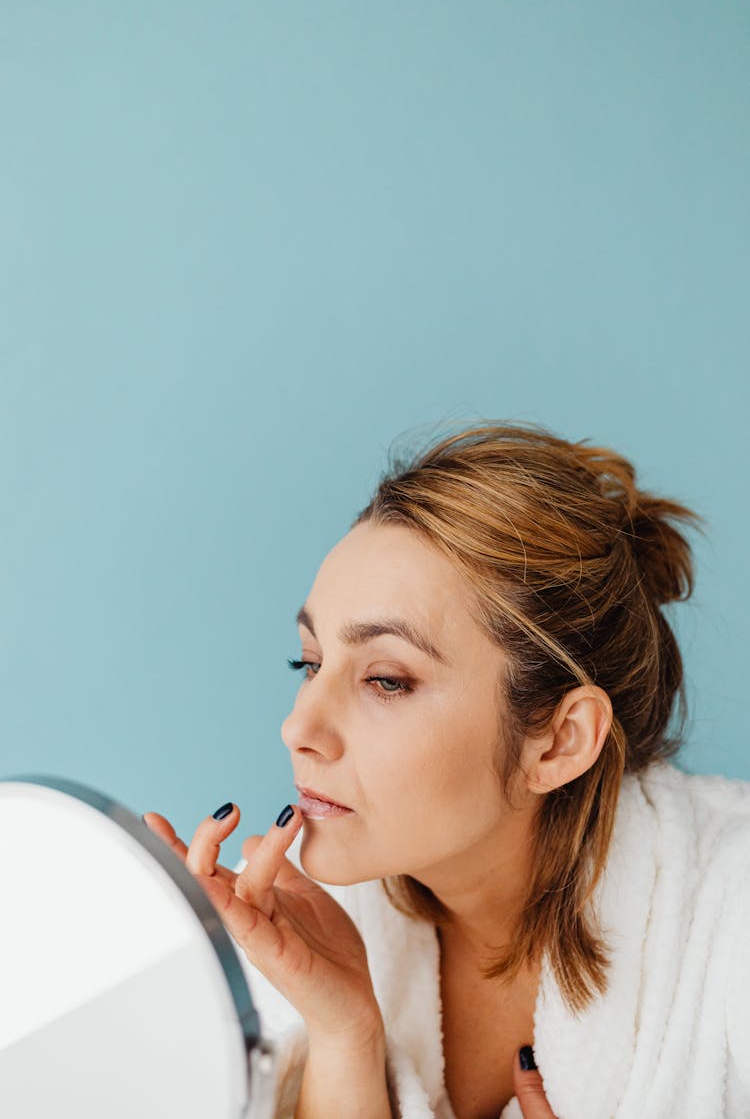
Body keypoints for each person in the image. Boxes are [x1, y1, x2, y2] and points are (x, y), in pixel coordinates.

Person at [144, 420, 750, 1119]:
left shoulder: (729, 922)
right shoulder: (309, 938)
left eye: (386, 680)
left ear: (558, 741)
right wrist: (346, 1037)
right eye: (309, 664)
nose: (297, 726)